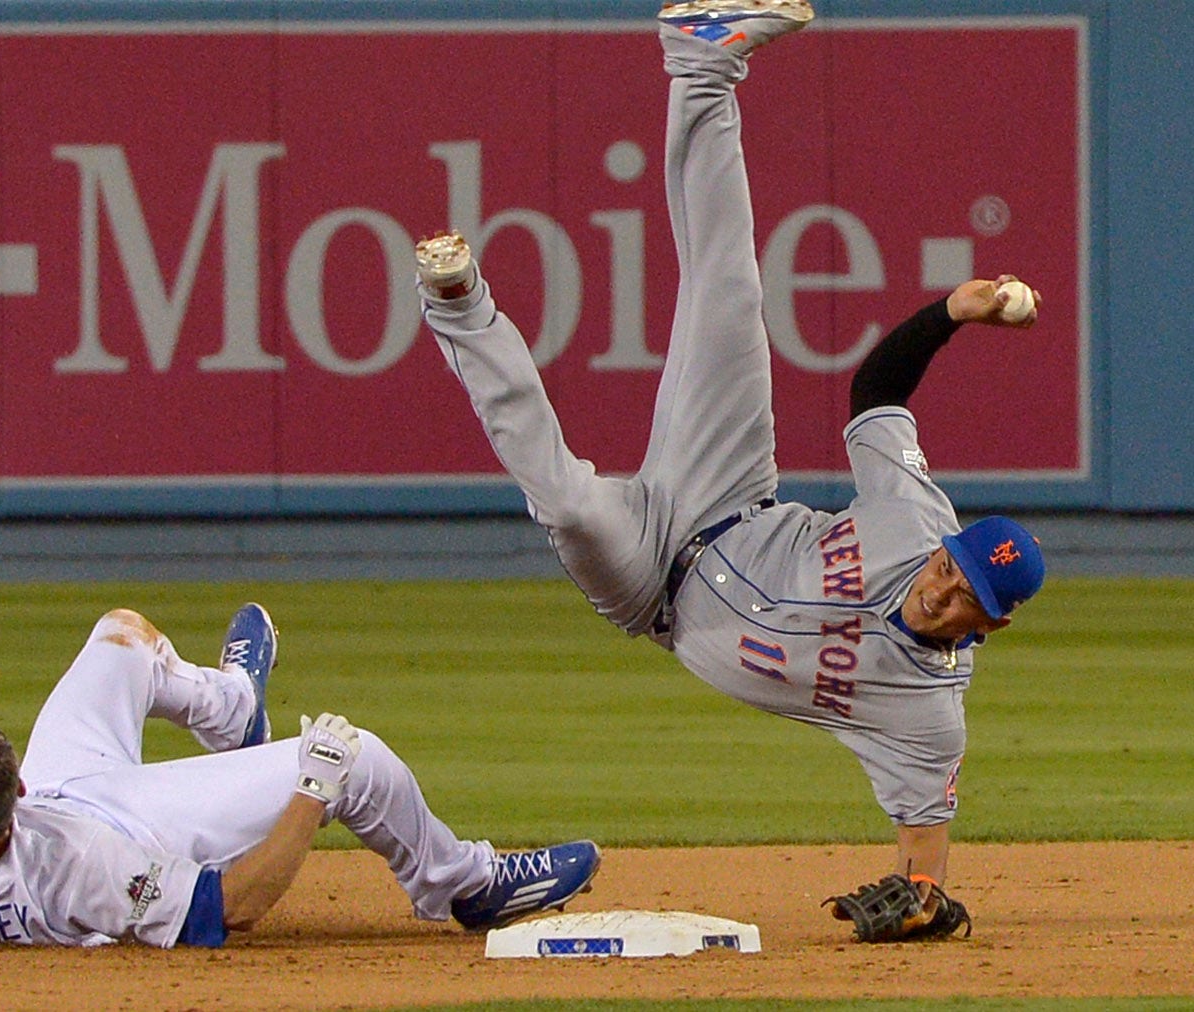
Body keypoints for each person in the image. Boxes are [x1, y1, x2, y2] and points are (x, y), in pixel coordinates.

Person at [414, 0, 1044, 938]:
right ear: (950, 547)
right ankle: (701, 60)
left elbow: (923, 855)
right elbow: (877, 392)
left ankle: (461, 308)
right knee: (730, 288)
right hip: (730, 490)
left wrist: (926, 906)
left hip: (649, 588)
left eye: (967, 606)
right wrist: (949, 311)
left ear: (987, 630)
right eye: (954, 571)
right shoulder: (917, 523)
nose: (945, 594)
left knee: (573, 507)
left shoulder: (925, 713)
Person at [0, 603, 599, 947]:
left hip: (67, 798)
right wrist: (311, 791)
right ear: (7, 798)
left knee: (120, 638)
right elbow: (227, 908)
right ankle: (463, 885)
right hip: (130, 823)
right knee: (361, 757)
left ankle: (231, 708)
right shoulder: (84, 864)